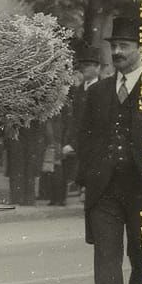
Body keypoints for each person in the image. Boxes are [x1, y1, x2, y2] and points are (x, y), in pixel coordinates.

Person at [75, 17, 142, 284]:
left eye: (124, 46)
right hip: (104, 189)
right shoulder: (100, 91)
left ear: (141, 48)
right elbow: (85, 137)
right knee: (106, 256)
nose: (116, 51)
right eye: (113, 45)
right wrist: (86, 177)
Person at [60, 46, 103, 202]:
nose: (84, 69)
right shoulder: (78, 91)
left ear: (98, 68)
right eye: (83, 65)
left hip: (95, 139)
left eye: (88, 65)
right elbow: (75, 118)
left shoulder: (105, 89)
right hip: (79, 137)